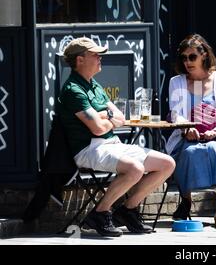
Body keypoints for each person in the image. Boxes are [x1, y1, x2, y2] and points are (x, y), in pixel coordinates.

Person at [58, 37, 175, 237]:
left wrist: (104, 117)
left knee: (167, 164)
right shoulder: (73, 90)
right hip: (89, 148)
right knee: (134, 168)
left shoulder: (94, 85)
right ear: (80, 60)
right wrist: (106, 117)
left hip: (112, 143)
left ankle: (128, 210)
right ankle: (100, 213)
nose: (100, 58)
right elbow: (96, 129)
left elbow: (120, 116)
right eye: (95, 55)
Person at [166, 34, 216, 220]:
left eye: (192, 57)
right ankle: (185, 202)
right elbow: (175, 113)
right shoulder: (177, 82)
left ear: (204, 55)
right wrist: (186, 128)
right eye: (183, 58)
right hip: (187, 136)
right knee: (188, 153)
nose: (187, 62)